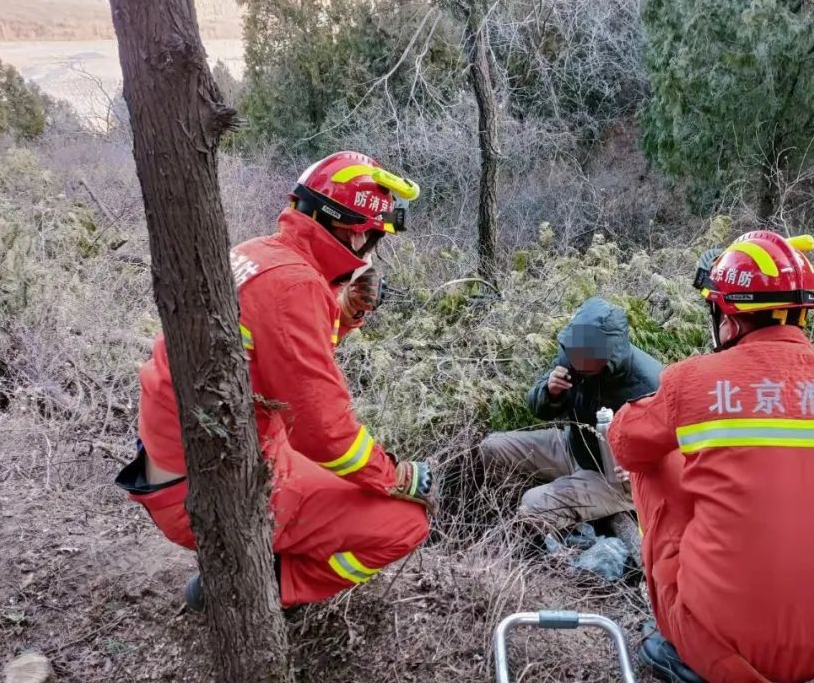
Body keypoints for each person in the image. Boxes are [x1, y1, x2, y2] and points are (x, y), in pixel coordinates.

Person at [116, 151, 434, 609]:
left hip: (185, 460)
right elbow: (328, 437)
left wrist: (344, 314)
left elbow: (278, 360)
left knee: (341, 480)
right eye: (373, 237)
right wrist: (397, 476)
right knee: (405, 523)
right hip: (214, 485)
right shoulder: (295, 287)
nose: (370, 251)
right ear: (355, 230)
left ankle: (258, 566)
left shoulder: (259, 253)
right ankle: (252, 591)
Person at [609, 231, 814, 683]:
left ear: (728, 318)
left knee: (655, 462)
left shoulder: (696, 381)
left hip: (725, 653)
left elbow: (625, 443)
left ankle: (685, 620)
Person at [479, 297, 662, 531]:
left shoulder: (649, 384)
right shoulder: (574, 355)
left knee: (534, 505)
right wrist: (550, 392)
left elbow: (672, 452)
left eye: (586, 356)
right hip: (573, 445)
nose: (577, 361)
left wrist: (638, 470)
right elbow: (538, 408)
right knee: (492, 447)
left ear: (608, 353)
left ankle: (567, 540)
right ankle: (510, 513)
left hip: (614, 479)